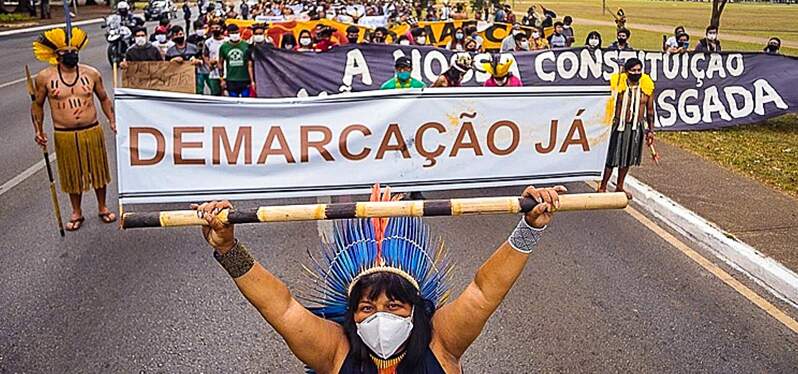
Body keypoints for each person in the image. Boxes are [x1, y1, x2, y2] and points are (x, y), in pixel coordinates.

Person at [193, 184, 563, 374]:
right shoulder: (334, 350)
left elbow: (484, 291)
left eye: (393, 305)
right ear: (352, 313)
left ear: (414, 310)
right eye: (366, 307)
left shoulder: (442, 342)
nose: (378, 316)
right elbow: (282, 308)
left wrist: (529, 228)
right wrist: (227, 248)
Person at [31, 27, 117, 231]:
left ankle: (102, 207)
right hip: (65, 135)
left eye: (74, 51)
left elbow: (104, 98)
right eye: (66, 52)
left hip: (92, 130)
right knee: (72, 175)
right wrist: (38, 130)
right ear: (56, 55)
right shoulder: (44, 77)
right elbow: (37, 105)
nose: (72, 55)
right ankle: (76, 211)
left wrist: (112, 119)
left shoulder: (91, 73)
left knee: (98, 171)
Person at [598, 58, 656, 200]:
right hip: (619, 125)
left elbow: (650, 111)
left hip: (636, 127)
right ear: (626, 71)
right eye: (633, 70)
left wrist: (650, 130)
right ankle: (602, 187)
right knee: (613, 157)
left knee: (628, 158)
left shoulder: (646, 87)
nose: (636, 73)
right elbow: (607, 103)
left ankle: (619, 186)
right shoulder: (618, 85)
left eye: (639, 70)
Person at [219, 24, 252, 97]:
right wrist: (222, 79)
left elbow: (250, 63)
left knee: (246, 100)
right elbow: (220, 63)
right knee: (233, 101)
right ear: (228, 34)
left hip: (245, 79)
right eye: (232, 33)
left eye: (236, 32)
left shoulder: (246, 45)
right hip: (231, 79)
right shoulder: (224, 47)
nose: (235, 35)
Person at [203, 21, 227, 96]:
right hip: (213, 73)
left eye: (217, 28)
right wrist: (208, 63)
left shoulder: (227, 41)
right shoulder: (208, 42)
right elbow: (205, 55)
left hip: (227, 72)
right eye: (212, 28)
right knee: (215, 94)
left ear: (221, 29)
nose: (214, 29)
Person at [247, 24, 269, 94]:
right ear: (253, 35)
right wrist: (252, 81)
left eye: (260, 33)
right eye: (256, 34)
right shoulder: (250, 48)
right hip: (256, 78)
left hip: (268, 78)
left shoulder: (270, 47)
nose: (258, 36)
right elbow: (250, 66)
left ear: (264, 34)